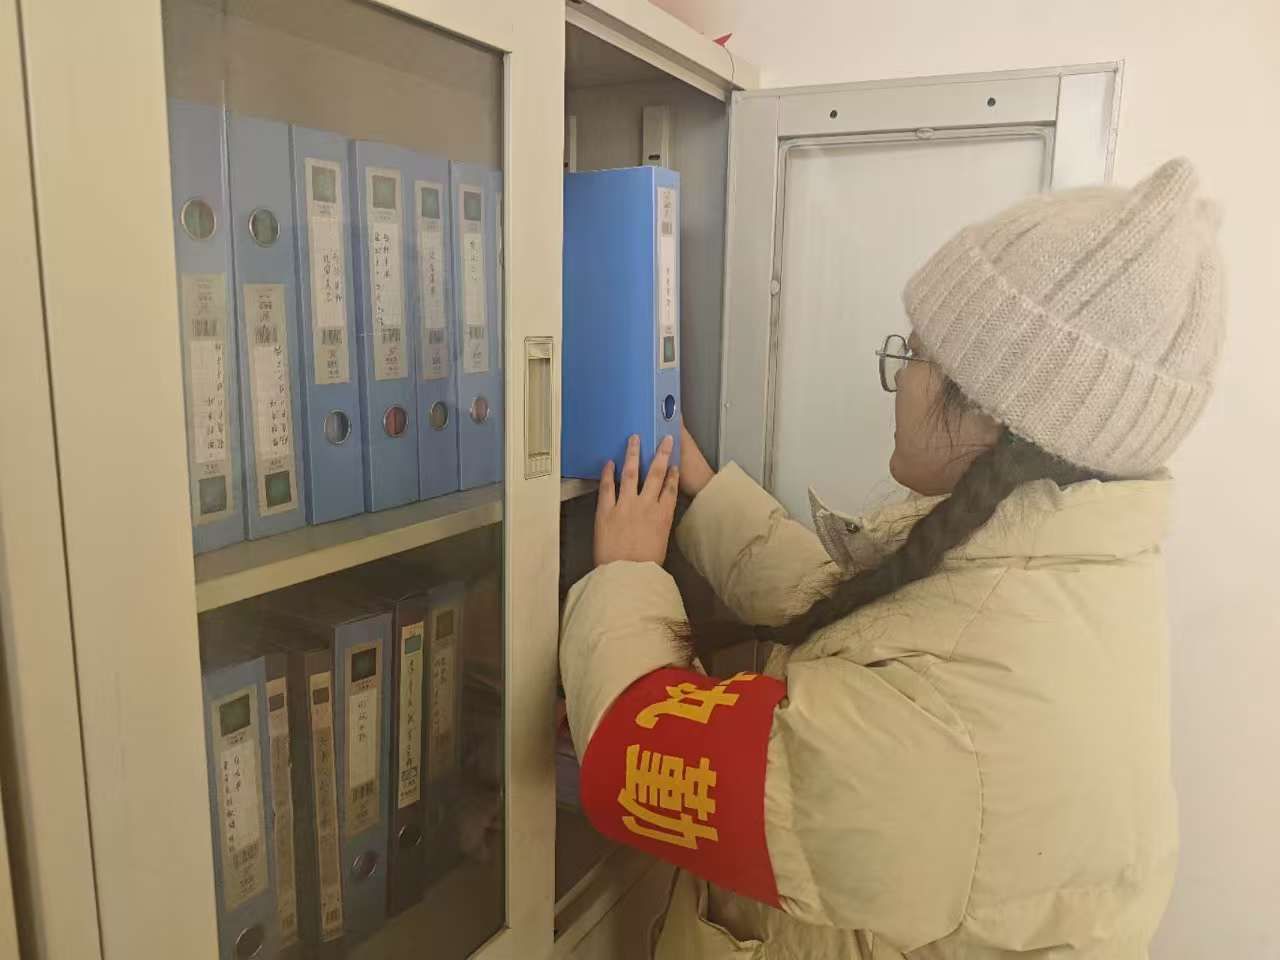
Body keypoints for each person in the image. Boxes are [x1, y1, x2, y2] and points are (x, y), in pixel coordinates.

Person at [559, 157, 1224, 959]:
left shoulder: (948, 730)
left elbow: (634, 762)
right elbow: (874, 623)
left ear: (993, 409)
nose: (899, 380)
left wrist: (625, 575)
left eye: (915, 353)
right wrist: (706, 495)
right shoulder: (1065, 574)